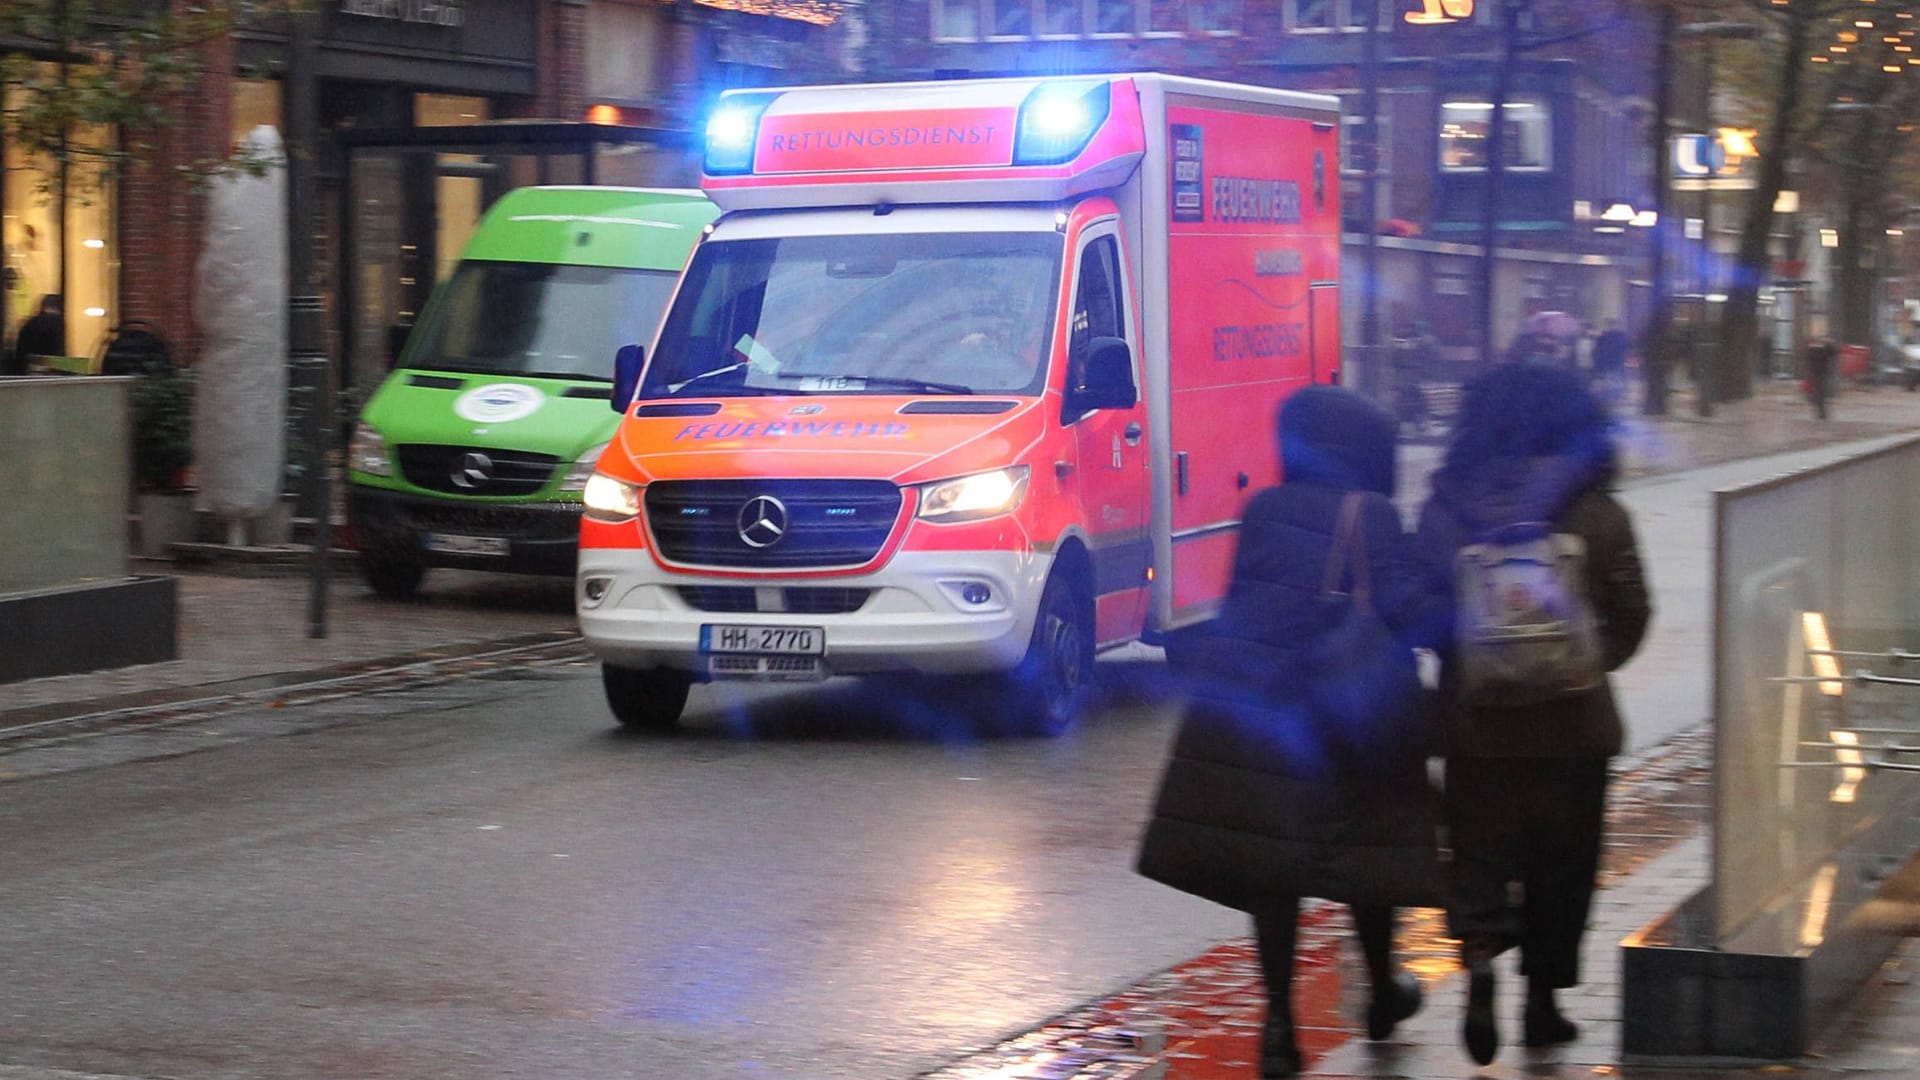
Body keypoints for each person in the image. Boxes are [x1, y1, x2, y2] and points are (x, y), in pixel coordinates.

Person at [1138, 386, 1447, 1078]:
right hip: (1349, 716)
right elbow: (1404, 611)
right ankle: (1381, 992)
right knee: (1372, 852)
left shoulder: (1264, 510)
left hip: (1261, 711)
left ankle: (1278, 1025)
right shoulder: (1374, 515)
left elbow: (1252, 605)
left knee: (1274, 870)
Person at [1414, 364, 1651, 1065]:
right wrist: (1583, 663)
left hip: (1475, 726)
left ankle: (1481, 956)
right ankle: (1543, 1006)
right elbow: (1634, 613)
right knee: (1564, 865)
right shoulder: (1596, 508)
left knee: (1478, 853)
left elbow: (1422, 612)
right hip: (1575, 732)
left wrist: (1466, 661)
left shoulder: (1448, 503)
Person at [9, 293, 63, 374]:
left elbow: (20, 355)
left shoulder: (29, 324)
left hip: (26, 374)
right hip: (47, 374)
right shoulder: (56, 324)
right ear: (57, 308)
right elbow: (58, 354)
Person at [1591, 320, 1631, 402]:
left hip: (1609, 362)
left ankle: (1612, 396)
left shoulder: (1604, 336)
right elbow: (1626, 347)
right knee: (1616, 379)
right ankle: (1617, 395)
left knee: (1611, 380)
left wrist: (1598, 361)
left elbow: (1597, 350)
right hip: (1617, 361)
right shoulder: (1621, 336)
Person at [1806, 337, 1837, 420]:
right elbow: (1833, 352)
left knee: (1820, 392)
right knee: (1820, 392)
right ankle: (1821, 412)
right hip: (1820, 372)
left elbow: (1833, 352)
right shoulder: (1820, 347)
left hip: (1818, 372)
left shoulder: (1815, 347)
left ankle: (1820, 411)